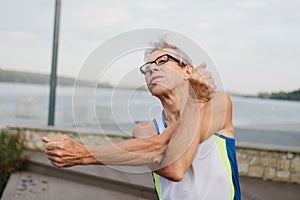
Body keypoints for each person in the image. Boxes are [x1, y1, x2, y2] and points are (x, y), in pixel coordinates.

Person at [43, 38, 240, 200]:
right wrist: (195, 102)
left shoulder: (218, 104)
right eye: (147, 68)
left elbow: (175, 166)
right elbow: (160, 149)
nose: (152, 69)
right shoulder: (145, 130)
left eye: (162, 61)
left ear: (188, 71)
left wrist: (82, 154)